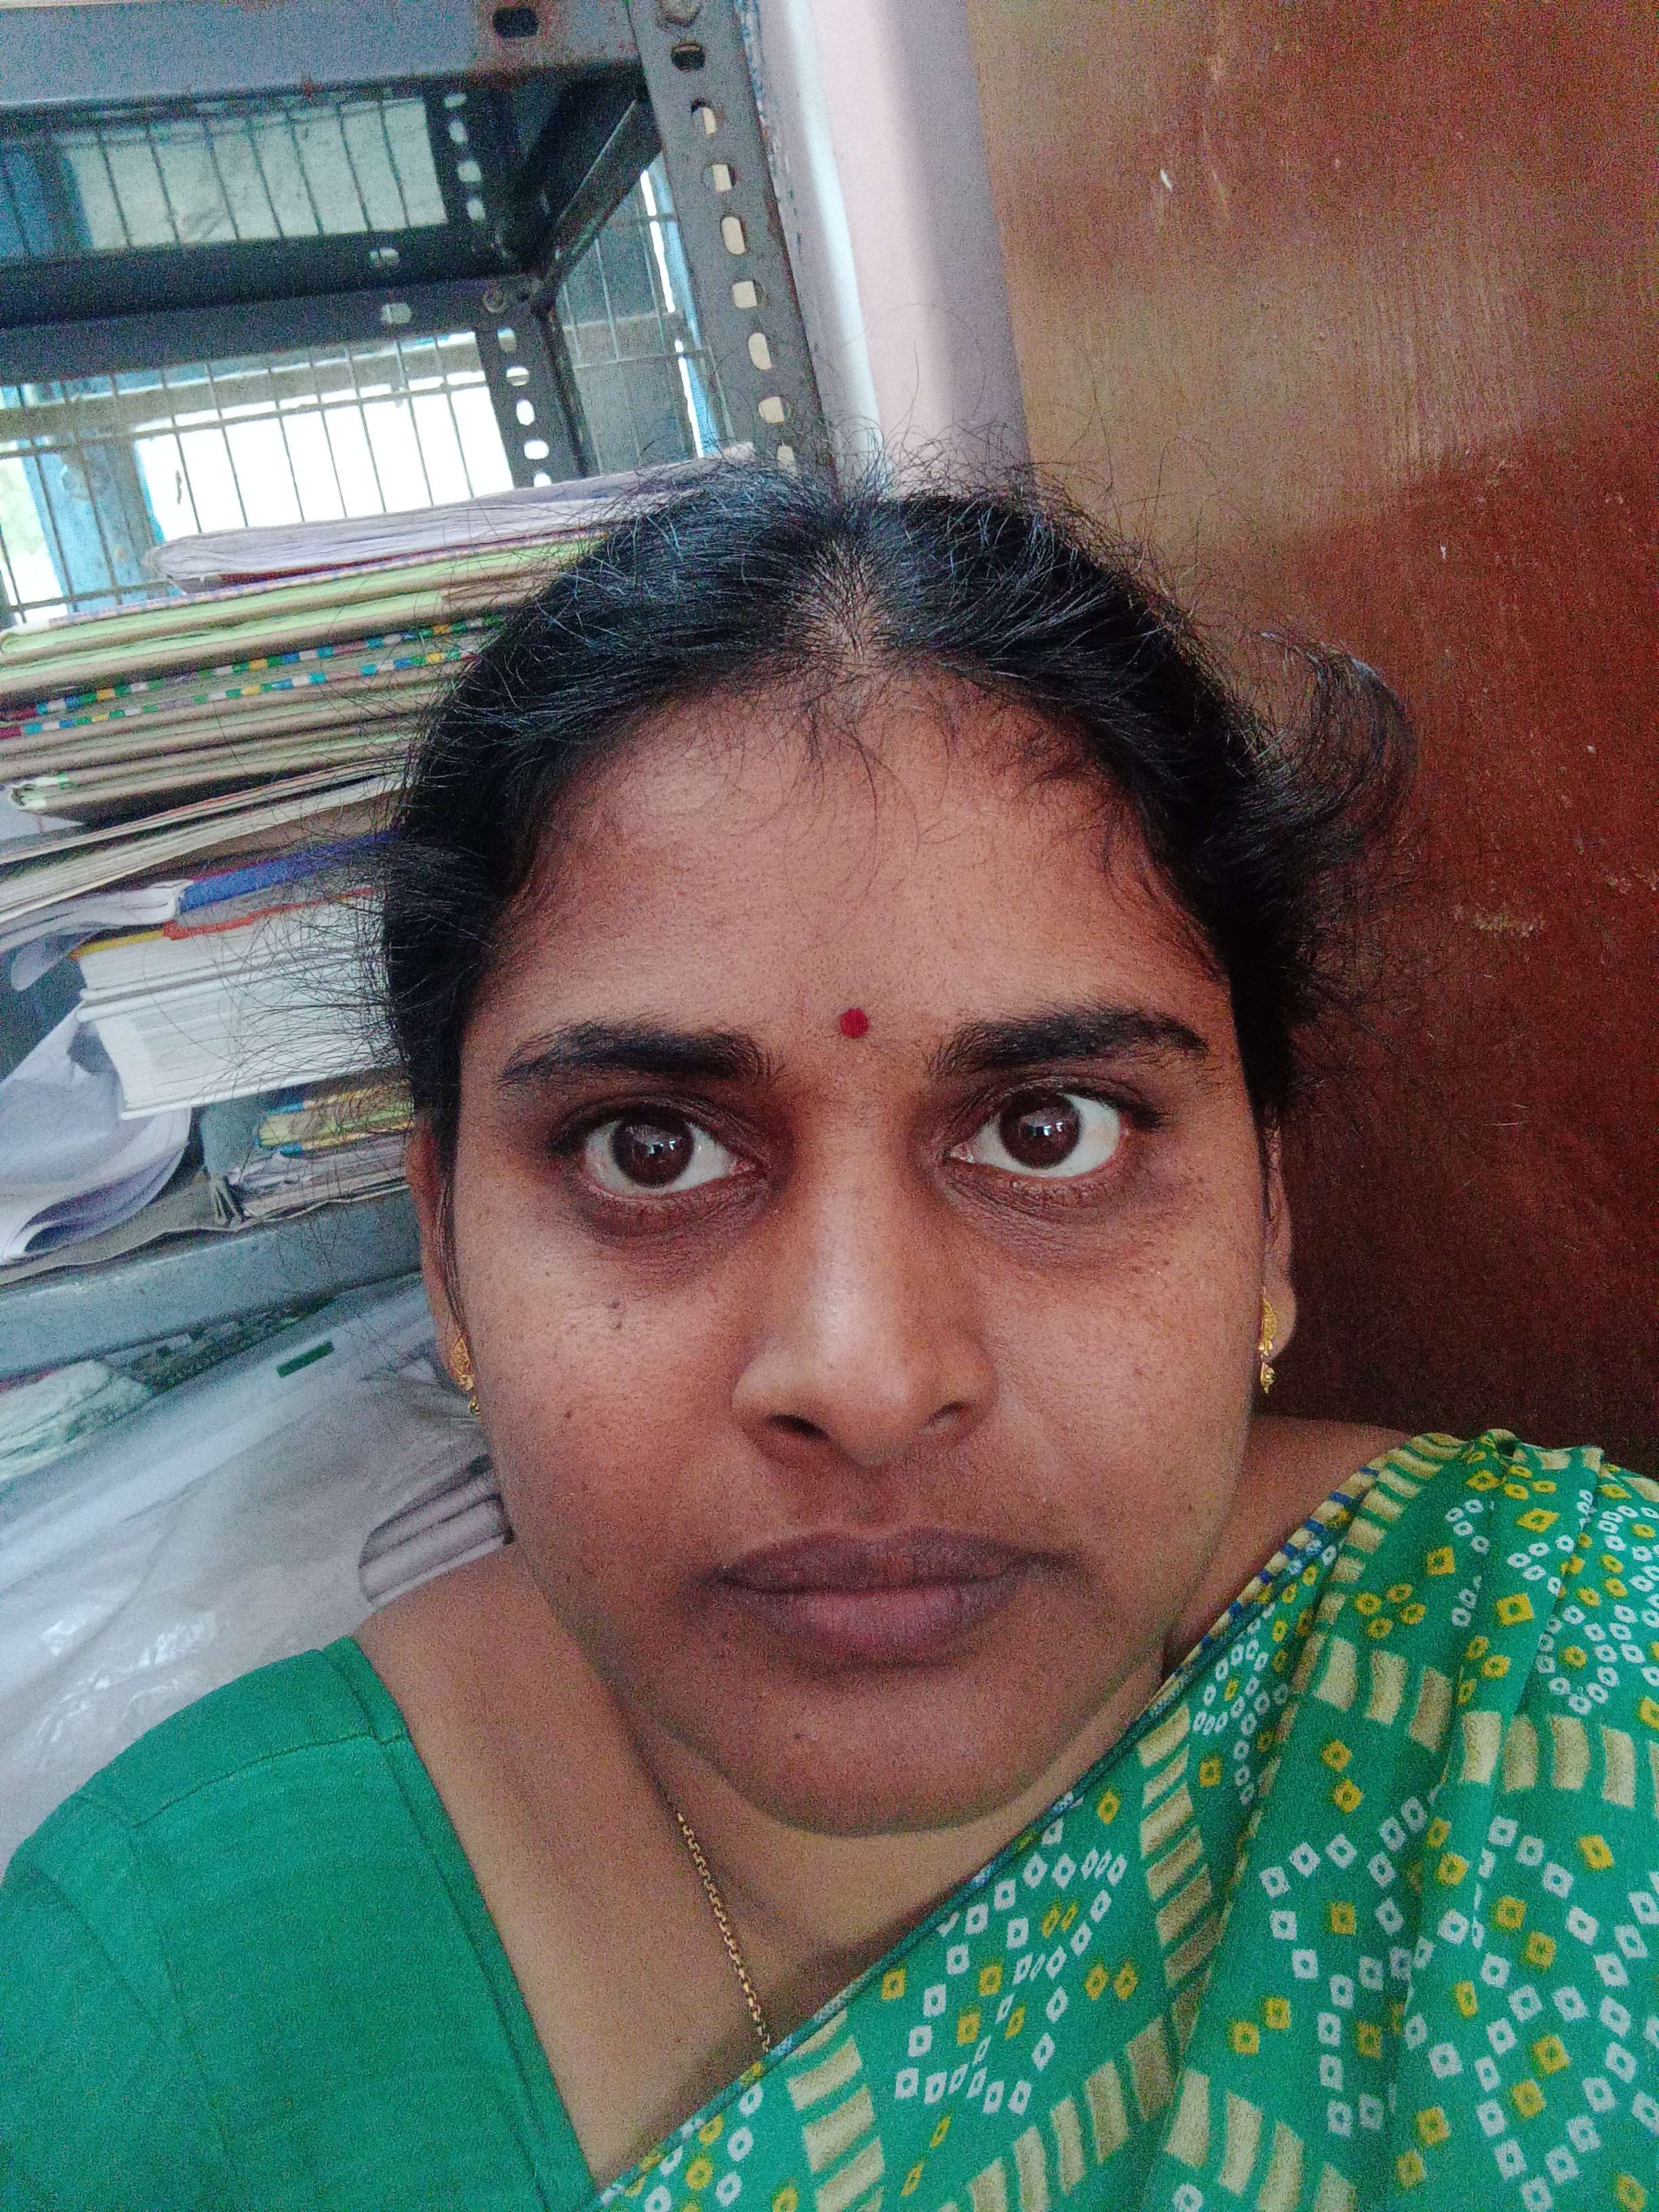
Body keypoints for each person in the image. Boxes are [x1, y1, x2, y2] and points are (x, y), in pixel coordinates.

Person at [1, 470, 1654, 2212]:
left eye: (1050, 1131)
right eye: (651, 1149)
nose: (866, 1383)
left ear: (1269, 1226)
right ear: (447, 1255)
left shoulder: (1568, 1706)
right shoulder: (153, 2001)